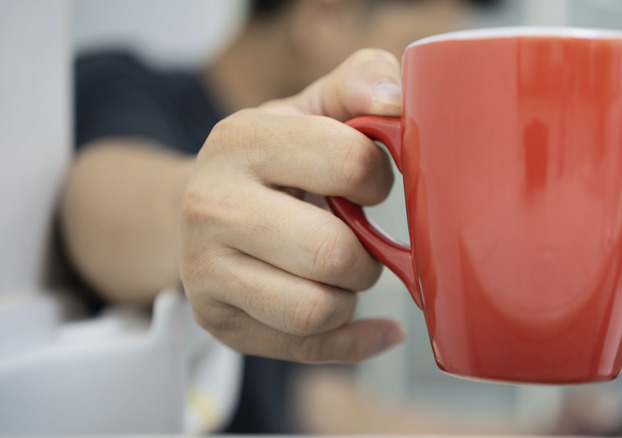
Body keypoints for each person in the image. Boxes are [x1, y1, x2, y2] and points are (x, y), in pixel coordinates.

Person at [60, 0, 502, 433]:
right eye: (409, 60)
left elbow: (319, 406)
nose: (419, 97)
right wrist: (186, 214)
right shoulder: (117, 85)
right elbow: (98, 203)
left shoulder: (325, 184)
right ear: (324, 17)